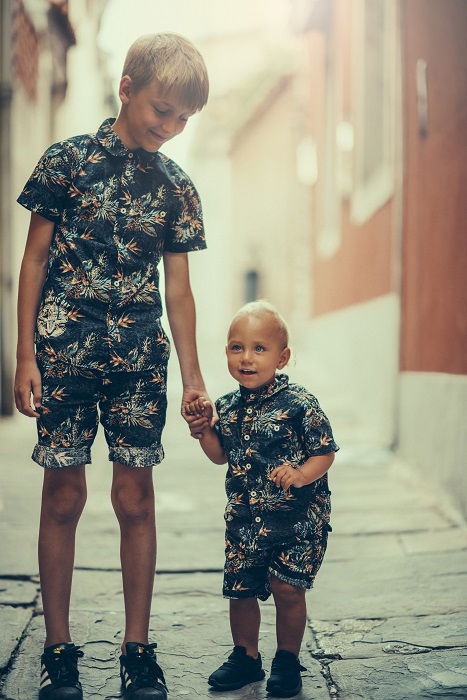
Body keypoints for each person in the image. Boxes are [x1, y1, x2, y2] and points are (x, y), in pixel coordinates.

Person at [14, 33, 211, 700]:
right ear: (126, 89)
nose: (170, 127)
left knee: (135, 499)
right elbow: (34, 261)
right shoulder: (65, 163)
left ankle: (137, 648)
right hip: (63, 358)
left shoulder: (176, 188)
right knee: (63, 496)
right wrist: (22, 358)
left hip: (138, 365)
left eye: (183, 119)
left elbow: (178, 290)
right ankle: (59, 648)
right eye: (162, 110)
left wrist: (192, 374)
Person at [184, 300, 339, 698]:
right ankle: (245, 656)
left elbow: (325, 451)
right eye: (237, 348)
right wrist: (204, 431)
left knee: (288, 589)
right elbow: (221, 456)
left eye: (259, 348)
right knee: (241, 589)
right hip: (244, 520)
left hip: (296, 521)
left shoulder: (299, 404)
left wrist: (303, 473)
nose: (247, 358)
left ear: (282, 357)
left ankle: (286, 659)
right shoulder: (228, 407)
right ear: (226, 354)